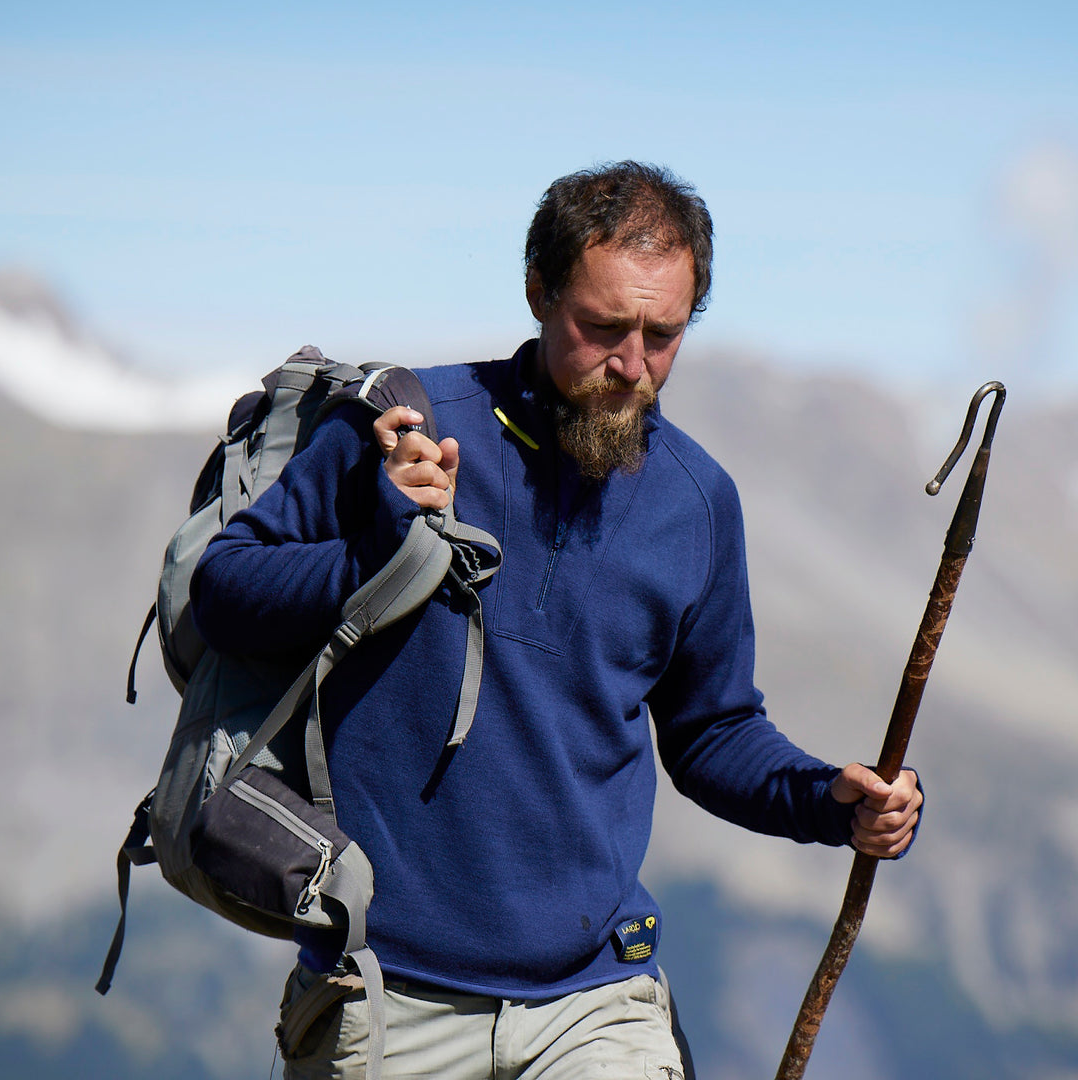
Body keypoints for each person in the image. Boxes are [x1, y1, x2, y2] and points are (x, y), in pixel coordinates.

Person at [190, 161, 922, 1079]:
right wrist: (376, 557)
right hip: (387, 995)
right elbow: (225, 595)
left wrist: (828, 802)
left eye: (663, 334)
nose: (632, 362)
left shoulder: (697, 505)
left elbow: (710, 733)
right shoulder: (399, 425)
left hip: (599, 1005)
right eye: (603, 326)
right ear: (537, 291)